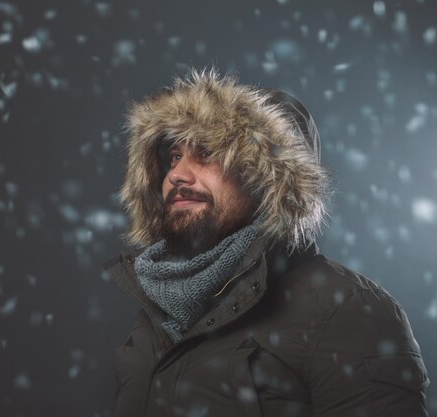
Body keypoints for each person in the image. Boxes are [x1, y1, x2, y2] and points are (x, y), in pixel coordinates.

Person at [103, 69, 429, 417]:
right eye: (174, 155)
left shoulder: (348, 311)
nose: (176, 174)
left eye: (207, 151)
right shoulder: (158, 308)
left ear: (267, 177)